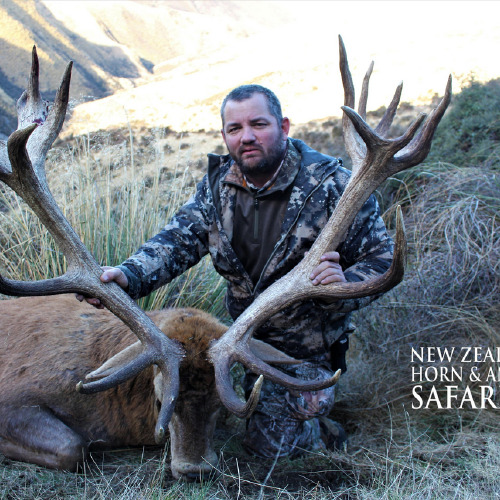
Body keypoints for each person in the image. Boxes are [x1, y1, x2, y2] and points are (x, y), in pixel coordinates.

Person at [78, 84, 393, 458]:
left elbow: (382, 261)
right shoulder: (217, 186)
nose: (246, 137)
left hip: (300, 352)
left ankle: (322, 425)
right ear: (225, 135)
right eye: (234, 129)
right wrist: (128, 276)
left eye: (258, 124)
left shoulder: (334, 187)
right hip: (231, 344)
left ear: (284, 126)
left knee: (267, 452)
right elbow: (177, 241)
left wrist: (342, 287)